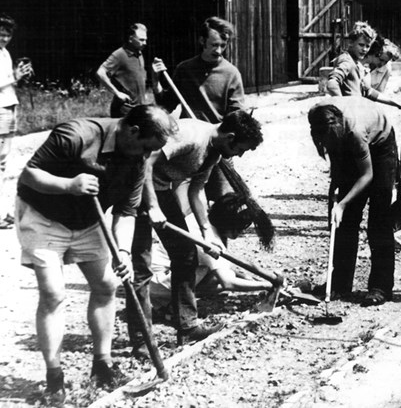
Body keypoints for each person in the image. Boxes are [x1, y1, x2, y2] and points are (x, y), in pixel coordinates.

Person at [15, 105, 175, 401]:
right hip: (44, 216)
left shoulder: (138, 161)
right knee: (53, 293)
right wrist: (68, 185)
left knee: (106, 285)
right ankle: (54, 378)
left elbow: (127, 211)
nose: (145, 156)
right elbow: (28, 175)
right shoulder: (76, 135)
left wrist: (123, 252)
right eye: (146, 147)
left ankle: (102, 365)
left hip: (89, 220)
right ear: (132, 131)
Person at [135, 110, 263, 348]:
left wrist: (206, 233)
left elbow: (197, 189)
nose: (240, 155)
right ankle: (141, 340)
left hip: (160, 189)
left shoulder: (214, 152)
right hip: (135, 186)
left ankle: (187, 327)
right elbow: (146, 161)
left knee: (186, 256)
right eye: (240, 149)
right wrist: (151, 206)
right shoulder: (192, 136)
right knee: (140, 265)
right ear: (230, 137)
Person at [308, 97, 397, 307]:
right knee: (344, 222)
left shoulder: (354, 131)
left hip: (380, 146)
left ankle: (380, 287)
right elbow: (336, 158)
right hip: (351, 143)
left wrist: (343, 203)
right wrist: (336, 197)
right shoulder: (318, 118)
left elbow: (367, 175)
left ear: (338, 128)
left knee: (379, 220)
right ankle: (339, 284)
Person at [153, 16, 245, 201]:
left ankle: (220, 229)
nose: (219, 51)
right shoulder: (185, 69)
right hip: (190, 146)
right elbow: (166, 104)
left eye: (223, 46)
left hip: (218, 146)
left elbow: (237, 116)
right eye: (214, 45)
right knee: (182, 202)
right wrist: (155, 80)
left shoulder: (231, 73)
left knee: (224, 202)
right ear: (202, 41)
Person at [149, 193, 273, 314]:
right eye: (240, 228)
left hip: (156, 273)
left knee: (220, 273)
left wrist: (247, 278)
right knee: (219, 279)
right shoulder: (209, 240)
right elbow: (227, 282)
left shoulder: (202, 219)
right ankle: (173, 303)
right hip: (159, 282)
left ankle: (169, 301)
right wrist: (266, 285)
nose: (241, 232)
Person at [326, 21, 401, 112]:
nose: (364, 49)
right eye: (361, 45)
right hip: (348, 113)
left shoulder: (358, 64)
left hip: (356, 112)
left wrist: (397, 104)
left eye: (368, 46)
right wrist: (342, 106)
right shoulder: (346, 60)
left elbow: (369, 92)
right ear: (351, 42)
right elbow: (332, 83)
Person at [0, 14, 33, 229]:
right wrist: (16, 76)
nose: (4, 39)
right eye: (1, 34)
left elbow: (8, 83)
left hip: (9, 106)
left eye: (7, 35)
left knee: (3, 161)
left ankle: (2, 212)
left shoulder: (5, 53)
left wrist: (21, 77)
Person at [96, 23, 152, 118]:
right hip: (125, 110)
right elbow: (100, 73)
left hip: (138, 108)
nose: (145, 43)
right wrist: (117, 93)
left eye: (146, 39)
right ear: (130, 39)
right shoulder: (119, 55)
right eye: (141, 40)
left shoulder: (139, 53)